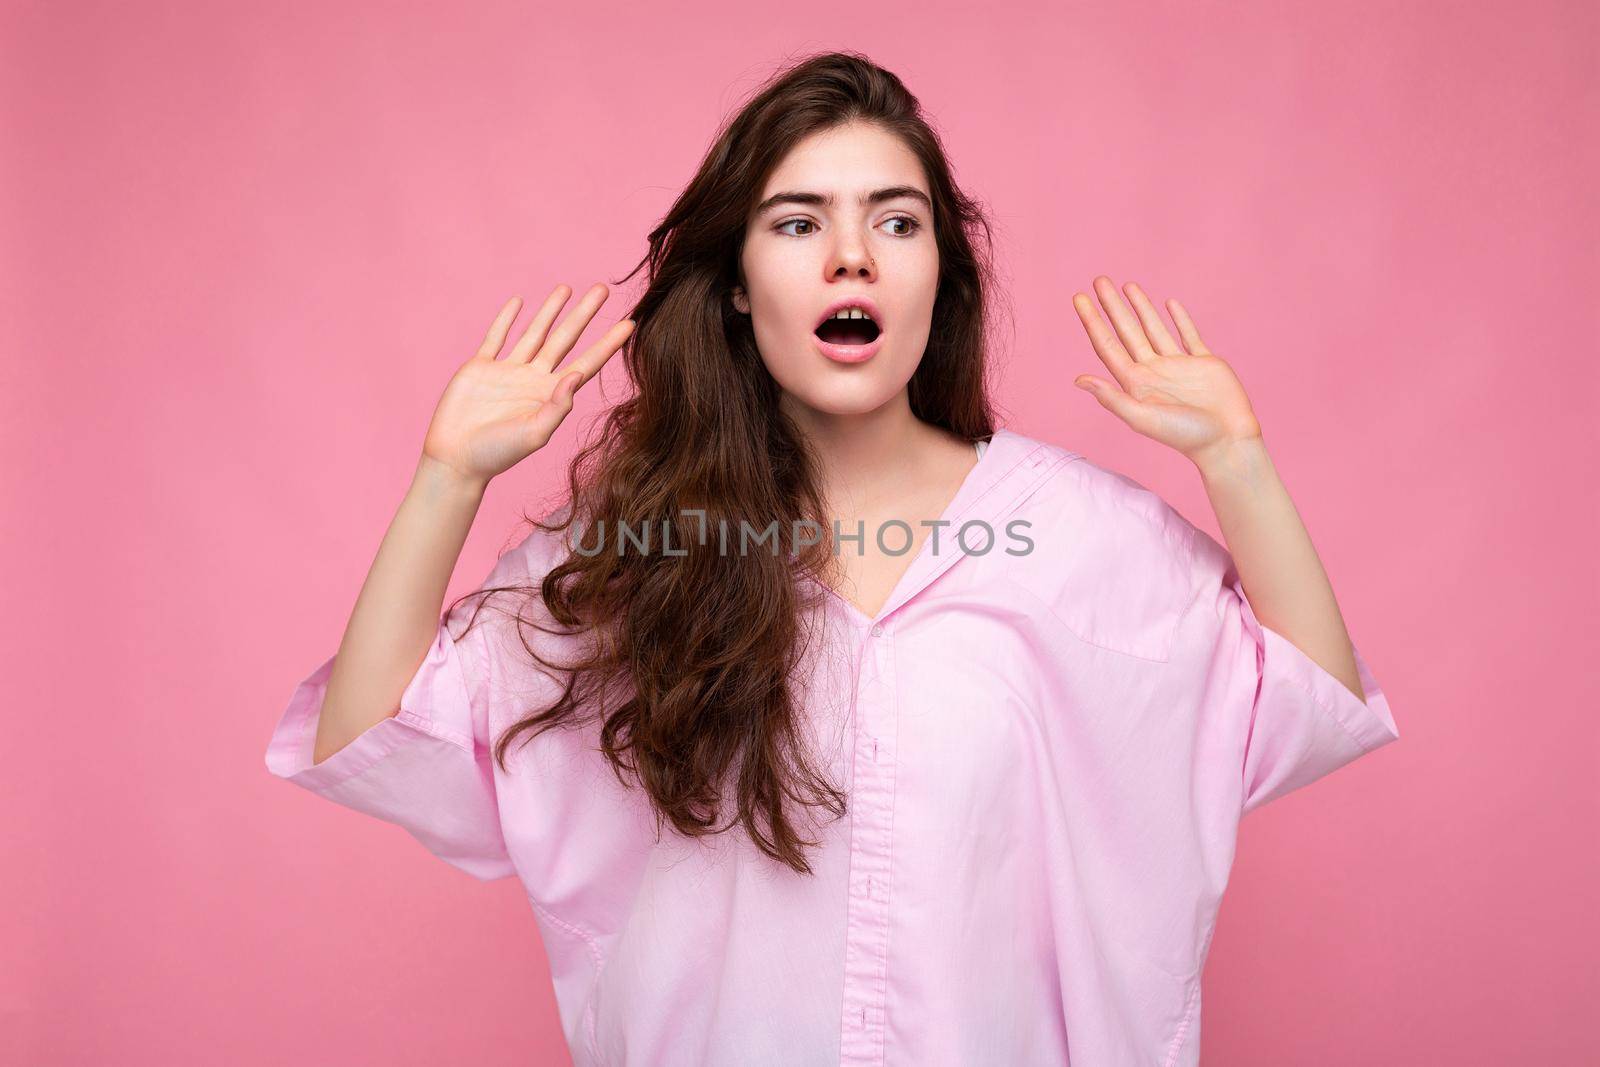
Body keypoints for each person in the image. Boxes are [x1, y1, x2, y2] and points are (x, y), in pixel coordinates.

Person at [264, 51, 1399, 1067]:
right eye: (798, 222)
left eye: (896, 223)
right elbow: (374, 737)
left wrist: (1237, 461)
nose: (851, 254)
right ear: (738, 281)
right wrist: (445, 478)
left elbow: (1301, 704)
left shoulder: (1084, 538)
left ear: (940, 278)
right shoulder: (643, 553)